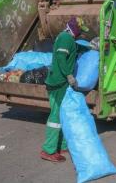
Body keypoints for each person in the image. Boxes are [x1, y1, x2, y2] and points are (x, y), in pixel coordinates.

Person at [40, 16, 87, 163]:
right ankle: (48, 150)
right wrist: (69, 76)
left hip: (60, 82)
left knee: (63, 114)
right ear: (76, 28)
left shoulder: (68, 38)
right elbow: (61, 57)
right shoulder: (66, 38)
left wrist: (90, 47)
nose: (81, 33)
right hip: (58, 83)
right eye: (80, 30)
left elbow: (76, 47)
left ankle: (62, 146)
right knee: (56, 117)